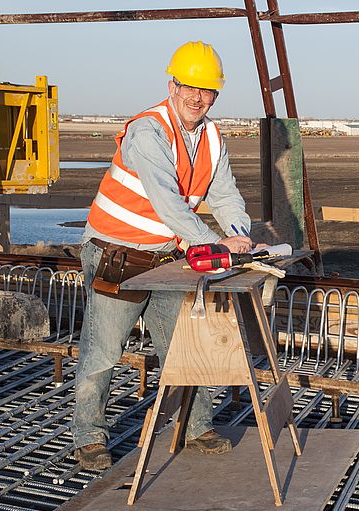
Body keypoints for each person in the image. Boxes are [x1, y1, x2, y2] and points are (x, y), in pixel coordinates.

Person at [71, 41, 257, 471]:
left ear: (216, 95)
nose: (197, 97)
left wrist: (239, 236)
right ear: (171, 85)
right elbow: (166, 203)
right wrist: (209, 245)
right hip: (115, 256)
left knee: (185, 348)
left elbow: (225, 194)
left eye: (207, 91)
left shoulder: (211, 136)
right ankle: (89, 438)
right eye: (189, 87)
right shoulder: (148, 131)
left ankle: (195, 428)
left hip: (165, 259)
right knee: (103, 352)